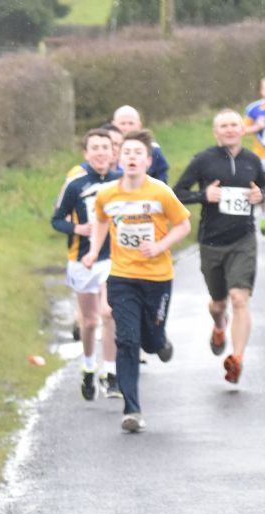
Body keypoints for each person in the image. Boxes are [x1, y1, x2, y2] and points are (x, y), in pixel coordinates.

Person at [83, 130, 191, 433]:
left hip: (157, 277)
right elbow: (101, 221)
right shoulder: (107, 195)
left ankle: (160, 342)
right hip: (123, 277)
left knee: (151, 342)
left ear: (148, 161)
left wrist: (159, 246)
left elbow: (183, 225)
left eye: (137, 153)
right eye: (126, 153)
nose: (131, 158)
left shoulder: (159, 193)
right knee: (128, 340)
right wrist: (93, 251)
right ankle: (131, 410)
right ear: (119, 159)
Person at [173, 109, 264, 384]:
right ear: (216, 132)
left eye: (234, 124)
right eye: (223, 126)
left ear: (242, 129)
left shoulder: (253, 161)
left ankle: (236, 359)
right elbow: (177, 193)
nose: (229, 129)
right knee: (218, 303)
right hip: (211, 241)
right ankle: (218, 324)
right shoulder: (203, 160)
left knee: (239, 298)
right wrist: (204, 195)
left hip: (243, 240)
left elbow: (263, 191)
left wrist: (260, 195)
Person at [52, 128, 122, 399]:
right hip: (82, 260)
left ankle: (111, 373)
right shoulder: (75, 185)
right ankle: (89, 367)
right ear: (86, 153)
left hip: (113, 257)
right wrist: (77, 228)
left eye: (105, 147)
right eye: (95, 148)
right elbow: (56, 220)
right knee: (90, 321)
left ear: (113, 152)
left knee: (109, 313)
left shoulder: (121, 182)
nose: (101, 153)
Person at [113, 105, 170, 184]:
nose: (127, 128)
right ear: (114, 125)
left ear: (139, 125)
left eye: (131, 123)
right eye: (122, 123)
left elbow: (161, 176)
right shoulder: (105, 148)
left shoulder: (153, 149)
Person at [243, 78, 265, 167]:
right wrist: (257, 127)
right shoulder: (253, 108)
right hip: (261, 158)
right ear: (261, 91)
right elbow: (242, 130)